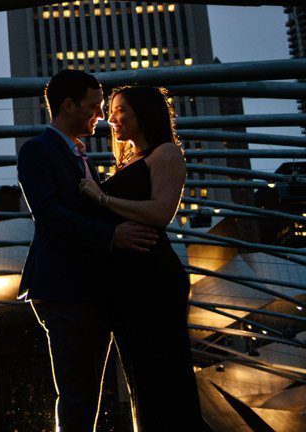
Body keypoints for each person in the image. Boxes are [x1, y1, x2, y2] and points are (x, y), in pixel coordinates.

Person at [16, 69, 160, 432]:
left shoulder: (80, 158)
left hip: (88, 291)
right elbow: (49, 215)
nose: (103, 115)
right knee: (78, 392)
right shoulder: (37, 151)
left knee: (88, 392)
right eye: (95, 106)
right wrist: (113, 237)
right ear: (68, 106)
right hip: (64, 289)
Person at [78, 85, 210, 431]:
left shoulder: (165, 154)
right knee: (141, 377)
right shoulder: (126, 161)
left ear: (145, 113)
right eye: (111, 110)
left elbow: (161, 212)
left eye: (121, 110)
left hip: (154, 278)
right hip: (127, 281)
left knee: (163, 373)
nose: (112, 118)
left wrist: (101, 198)